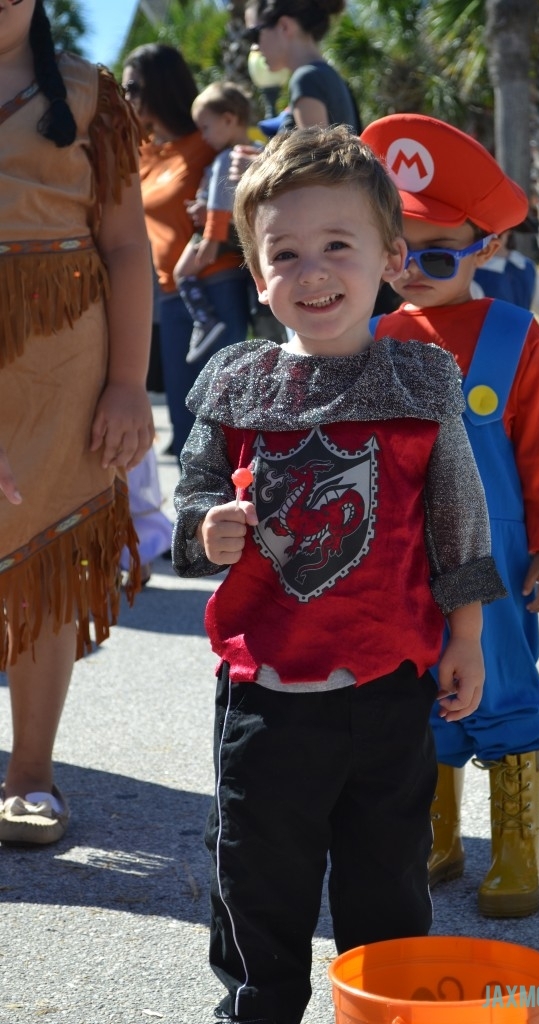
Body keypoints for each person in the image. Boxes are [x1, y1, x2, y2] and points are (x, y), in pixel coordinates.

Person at [172, 125, 505, 1024]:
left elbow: (457, 516)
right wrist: (209, 526)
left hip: (388, 683)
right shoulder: (235, 381)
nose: (312, 272)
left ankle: (386, 1007)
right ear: (256, 272)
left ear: (391, 257)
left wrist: (466, 636)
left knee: (388, 877)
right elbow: (193, 494)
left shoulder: (422, 378)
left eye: (338, 246)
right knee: (254, 873)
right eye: (285, 253)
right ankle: (258, 1007)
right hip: (265, 691)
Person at [363, 114, 539, 918]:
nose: (414, 270)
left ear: (484, 249)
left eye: (439, 253)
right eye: (396, 250)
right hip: (404, 564)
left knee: (505, 684)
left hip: (496, 560)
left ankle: (516, 846)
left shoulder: (512, 334)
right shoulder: (374, 335)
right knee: (421, 689)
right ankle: (438, 834)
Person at [0, 0, 153, 844]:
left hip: (64, 365)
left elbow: (127, 244)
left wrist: (129, 383)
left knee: (44, 560)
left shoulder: (90, 95)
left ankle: (31, 772)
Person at [122, 45, 251, 459]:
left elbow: (249, 188)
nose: (126, 98)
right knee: (184, 424)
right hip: (170, 297)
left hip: (215, 286)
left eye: (132, 87)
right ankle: (194, 523)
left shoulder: (210, 140)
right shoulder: (140, 153)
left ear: (158, 87)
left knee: (221, 422)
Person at [173, 81, 255, 365]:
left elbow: (221, 203)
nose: (203, 136)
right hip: (237, 231)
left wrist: (211, 237)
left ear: (229, 119)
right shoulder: (256, 150)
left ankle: (205, 320)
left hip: (220, 232)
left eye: (206, 127)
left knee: (182, 273)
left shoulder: (226, 157)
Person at [243, 0, 359, 132]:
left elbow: (315, 152)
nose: (254, 47)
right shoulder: (330, 77)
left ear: (284, 26)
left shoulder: (306, 79)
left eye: (254, 35)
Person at [472, 225, 539, 355]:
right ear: (509, 231)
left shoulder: (472, 271)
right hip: (517, 361)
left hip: (482, 361)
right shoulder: (525, 267)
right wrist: (535, 357)